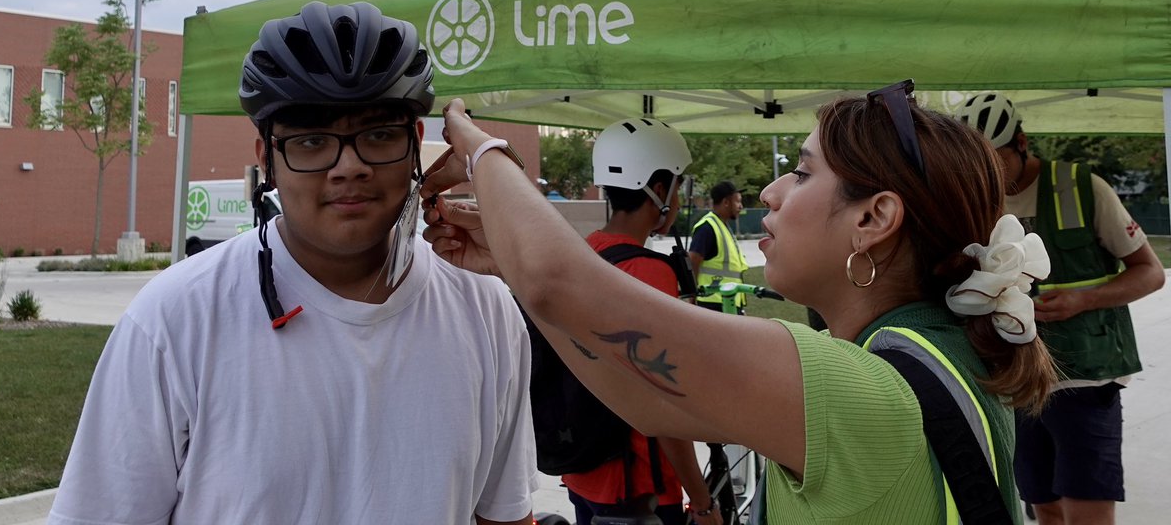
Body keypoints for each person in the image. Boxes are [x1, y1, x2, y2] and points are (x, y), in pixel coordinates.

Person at [422, 82, 1060, 524]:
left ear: (875, 217)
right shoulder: (929, 347)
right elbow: (642, 396)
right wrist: (512, 259)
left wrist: (479, 147)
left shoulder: (859, 387)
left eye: (804, 173)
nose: (771, 189)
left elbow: (559, 283)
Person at [49, 2, 537, 525]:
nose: (348, 166)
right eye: (310, 141)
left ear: (416, 145)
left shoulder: (486, 312)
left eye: (377, 135)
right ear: (267, 161)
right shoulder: (174, 320)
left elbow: (504, 516)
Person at [959, 92, 1165, 525]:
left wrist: (1083, 299)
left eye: (995, 162)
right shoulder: (974, 199)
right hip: (1015, 382)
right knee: (1044, 508)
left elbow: (1150, 272)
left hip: (1085, 381)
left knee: (1086, 511)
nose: (988, 176)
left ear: (1021, 142)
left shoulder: (1082, 187)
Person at [559, 118, 720, 525]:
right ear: (660, 190)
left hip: (584, 471)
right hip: (640, 487)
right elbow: (662, 404)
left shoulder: (587, 252)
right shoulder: (648, 274)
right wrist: (702, 503)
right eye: (679, 186)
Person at [689, 180, 749, 312]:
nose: (741, 206)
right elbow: (693, 261)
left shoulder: (722, 225)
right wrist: (692, 295)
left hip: (728, 301)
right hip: (714, 302)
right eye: (738, 202)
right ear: (726, 202)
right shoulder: (707, 227)